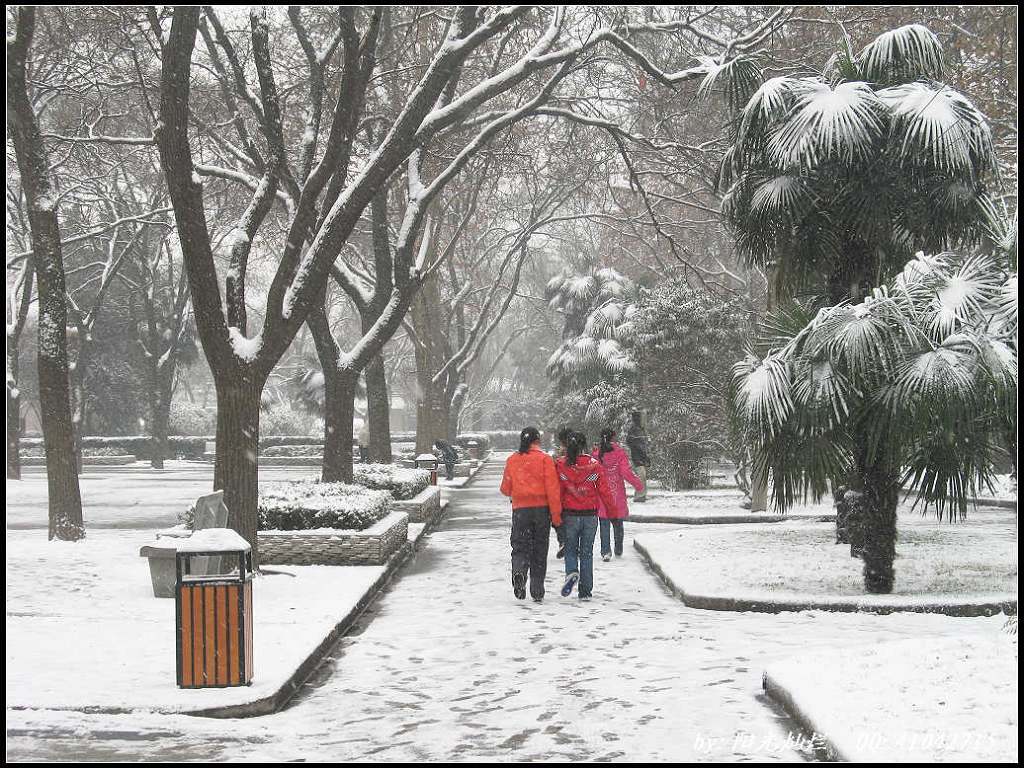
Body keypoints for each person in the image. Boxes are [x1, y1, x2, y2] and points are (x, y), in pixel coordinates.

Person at [499, 427, 562, 602]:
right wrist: (556, 517)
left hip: (520, 511)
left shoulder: (512, 460)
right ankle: (537, 589)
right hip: (542, 511)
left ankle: (519, 572)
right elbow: (553, 490)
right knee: (539, 550)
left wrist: (518, 488)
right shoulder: (545, 460)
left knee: (519, 546)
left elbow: (505, 489)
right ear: (537, 441)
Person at [555, 431, 616, 601]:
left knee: (570, 549)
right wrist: (612, 512)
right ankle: (586, 590)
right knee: (587, 553)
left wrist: (555, 513)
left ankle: (572, 571)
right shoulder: (595, 465)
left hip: (570, 514)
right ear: (584, 445)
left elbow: (558, 491)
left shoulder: (561, 465)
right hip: (590, 515)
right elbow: (604, 490)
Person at [592, 428, 643, 560]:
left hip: (602, 494)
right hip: (617, 494)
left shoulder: (596, 454)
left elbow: (592, 474)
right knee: (618, 522)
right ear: (613, 438)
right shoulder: (619, 453)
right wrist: (638, 485)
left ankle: (605, 551)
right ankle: (618, 548)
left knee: (604, 523)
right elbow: (626, 472)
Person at [550, 425, 572, 559]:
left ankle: (563, 541)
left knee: (558, 520)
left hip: (560, 492)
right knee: (572, 521)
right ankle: (571, 543)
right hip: (576, 493)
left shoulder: (558, 456)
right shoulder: (581, 454)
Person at [625, 411, 650, 503]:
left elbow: (643, 444)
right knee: (641, 475)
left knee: (642, 475)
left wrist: (645, 455)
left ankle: (641, 494)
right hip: (637, 456)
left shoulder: (640, 429)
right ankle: (640, 495)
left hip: (641, 456)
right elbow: (631, 442)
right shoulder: (634, 429)